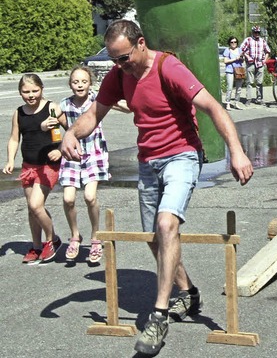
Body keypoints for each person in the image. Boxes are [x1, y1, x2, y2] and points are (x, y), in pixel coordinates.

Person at [60, 19, 253, 355]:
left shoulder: (169, 68)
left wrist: (236, 151)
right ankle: (188, 293)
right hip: (148, 162)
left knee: (167, 224)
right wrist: (70, 133)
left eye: (123, 58)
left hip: (182, 155)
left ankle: (159, 315)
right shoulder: (120, 76)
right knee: (155, 238)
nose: (120, 66)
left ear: (141, 44)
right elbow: (94, 114)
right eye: (114, 61)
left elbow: (212, 107)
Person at [58, 66, 121, 264]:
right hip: (72, 155)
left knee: (89, 196)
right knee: (68, 199)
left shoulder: (97, 99)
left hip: (94, 153)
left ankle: (95, 237)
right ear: (70, 84)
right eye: (76, 82)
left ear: (90, 83)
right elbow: (54, 120)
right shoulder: (65, 105)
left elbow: (124, 105)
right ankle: (75, 236)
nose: (80, 85)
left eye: (84, 81)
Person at [3, 74, 62, 264]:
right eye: (26, 92)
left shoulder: (51, 108)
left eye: (35, 91)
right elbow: (14, 138)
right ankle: (37, 246)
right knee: (32, 209)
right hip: (28, 165)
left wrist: (60, 150)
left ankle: (52, 239)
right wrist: (10, 160)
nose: (31, 95)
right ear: (20, 92)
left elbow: (71, 131)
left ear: (42, 88)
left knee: (36, 205)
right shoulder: (19, 112)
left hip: (47, 166)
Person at [240, 26, 271, 106]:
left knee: (260, 82)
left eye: (258, 32)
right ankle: (249, 99)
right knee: (250, 82)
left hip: (260, 64)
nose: (257, 34)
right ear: (253, 32)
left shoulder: (262, 41)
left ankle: (259, 98)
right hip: (251, 64)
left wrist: (265, 60)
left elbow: (268, 51)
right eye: (255, 32)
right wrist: (247, 57)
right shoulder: (248, 40)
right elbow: (242, 49)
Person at [222, 36, 245, 110]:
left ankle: (236, 103)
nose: (233, 43)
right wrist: (235, 59)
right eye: (232, 42)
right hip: (230, 70)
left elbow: (242, 60)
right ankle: (228, 103)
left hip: (238, 70)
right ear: (229, 43)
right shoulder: (227, 50)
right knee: (229, 88)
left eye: (235, 42)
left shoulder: (239, 50)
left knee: (239, 88)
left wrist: (241, 58)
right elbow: (225, 61)